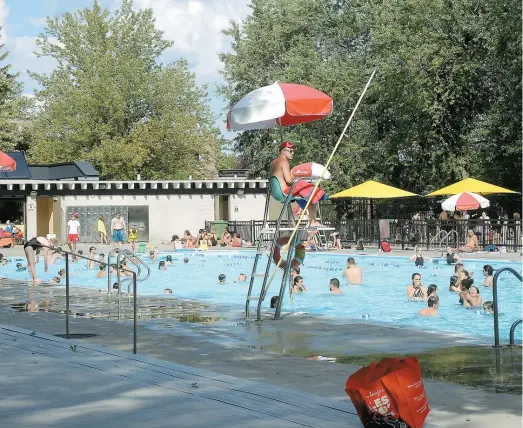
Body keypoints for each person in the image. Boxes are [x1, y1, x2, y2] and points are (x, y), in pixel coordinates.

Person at [270, 141, 327, 228]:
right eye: (290, 151)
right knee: (310, 191)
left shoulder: (274, 162)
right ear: (283, 151)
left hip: (275, 193)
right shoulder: (284, 162)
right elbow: (289, 180)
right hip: (285, 192)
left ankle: (312, 219)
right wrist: (296, 179)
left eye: (293, 151)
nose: (293, 153)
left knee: (304, 192)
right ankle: (313, 221)